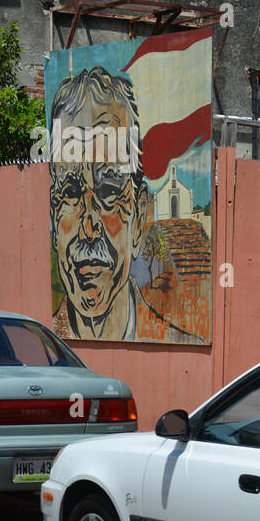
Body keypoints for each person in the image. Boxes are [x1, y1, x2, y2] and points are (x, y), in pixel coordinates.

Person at [47, 67, 201, 343]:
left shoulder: (183, 343)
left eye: (108, 192)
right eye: (70, 192)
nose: (89, 227)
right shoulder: (42, 352)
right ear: (53, 219)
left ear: (139, 219)